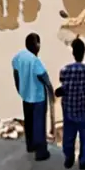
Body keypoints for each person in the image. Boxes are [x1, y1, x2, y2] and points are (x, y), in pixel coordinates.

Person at [57, 39, 85, 170]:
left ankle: (69, 158)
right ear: (84, 52)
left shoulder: (65, 70)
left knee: (68, 135)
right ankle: (84, 160)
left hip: (69, 108)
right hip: (84, 108)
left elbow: (63, 85)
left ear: (73, 53)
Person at [12, 33, 53, 161]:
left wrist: (19, 88)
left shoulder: (19, 56)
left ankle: (30, 146)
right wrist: (51, 92)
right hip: (38, 97)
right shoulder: (35, 61)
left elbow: (15, 72)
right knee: (39, 124)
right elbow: (44, 77)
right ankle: (41, 152)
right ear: (37, 45)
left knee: (29, 122)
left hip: (25, 96)